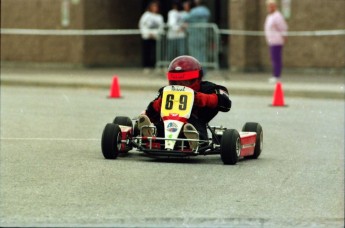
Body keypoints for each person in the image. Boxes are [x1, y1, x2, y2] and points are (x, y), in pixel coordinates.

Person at [138, 55, 231, 149]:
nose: (180, 85)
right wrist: (158, 104)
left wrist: (202, 98)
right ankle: (150, 132)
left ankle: (193, 139)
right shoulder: (166, 91)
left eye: (185, 82)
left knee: (193, 127)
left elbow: (226, 103)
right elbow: (150, 113)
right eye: (176, 82)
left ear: (197, 79)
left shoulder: (207, 88)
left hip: (194, 122)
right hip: (168, 123)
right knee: (160, 125)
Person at [264, 0, 288, 83]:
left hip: (276, 40)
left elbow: (283, 27)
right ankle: (275, 74)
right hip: (271, 41)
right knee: (273, 58)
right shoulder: (270, 16)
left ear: (274, 6)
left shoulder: (278, 16)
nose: (269, 8)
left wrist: (284, 36)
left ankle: (277, 75)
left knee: (276, 58)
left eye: (270, 6)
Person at [138, 1, 164, 74]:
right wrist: (146, 33)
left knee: (156, 52)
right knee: (147, 52)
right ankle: (147, 66)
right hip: (147, 37)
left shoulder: (159, 17)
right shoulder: (146, 15)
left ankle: (155, 66)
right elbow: (141, 24)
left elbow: (161, 27)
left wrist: (156, 34)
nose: (155, 8)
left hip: (155, 37)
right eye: (153, 6)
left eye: (156, 6)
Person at [182, 0, 210, 64]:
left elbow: (185, 18)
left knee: (194, 54)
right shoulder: (206, 11)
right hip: (203, 36)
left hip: (194, 36)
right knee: (202, 54)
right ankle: (202, 71)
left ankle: (196, 71)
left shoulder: (194, 11)